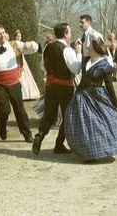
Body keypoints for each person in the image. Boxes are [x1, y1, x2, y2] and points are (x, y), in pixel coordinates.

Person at [65, 38, 117, 162]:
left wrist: (114, 102)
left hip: (96, 97)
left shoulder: (104, 65)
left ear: (95, 49)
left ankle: (100, 151)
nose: (87, 48)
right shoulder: (86, 61)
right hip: (82, 96)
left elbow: (109, 85)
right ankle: (87, 151)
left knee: (97, 124)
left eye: (89, 46)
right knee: (82, 124)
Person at [32, 23, 82, 155]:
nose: (70, 35)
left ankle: (40, 135)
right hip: (65, 87)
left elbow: (43, 67)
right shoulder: (68, 50)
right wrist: (79, 52)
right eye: (69, 32)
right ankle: (59, 144)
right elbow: (76, 69)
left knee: (49, 114)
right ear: (65, 34)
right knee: (67, 116)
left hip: (50, 85)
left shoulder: (48, 47)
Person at [0, 24, 38, 143]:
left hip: (14, 82)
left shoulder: (15, 44)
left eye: (3, 32)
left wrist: (31, 43)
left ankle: (27, 134)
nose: (2, 35)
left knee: (20, 109)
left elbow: (33, 48)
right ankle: (2, 124)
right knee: (4, 110)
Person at [14, 29, 41, 101]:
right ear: (15, 37)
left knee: (25, 77)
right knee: (21, 77)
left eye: (20, 36)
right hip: (17, 61)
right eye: (17, 36)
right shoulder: (16, 43)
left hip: (22, 60)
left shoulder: (22, 43)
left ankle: (26, 94)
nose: (19, 37)